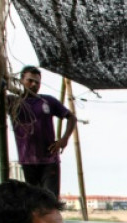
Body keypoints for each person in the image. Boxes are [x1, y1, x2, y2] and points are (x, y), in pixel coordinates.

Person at [7, 66, 77, 197]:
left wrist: (64, 139)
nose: (34, 84)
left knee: (50, 200)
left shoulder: (47, 101)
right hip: (27, 160)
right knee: (32, 201)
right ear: (21, 80)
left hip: (49, 160)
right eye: (30, 80)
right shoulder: (13, 102)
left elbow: (71, 118)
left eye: (37, 82)